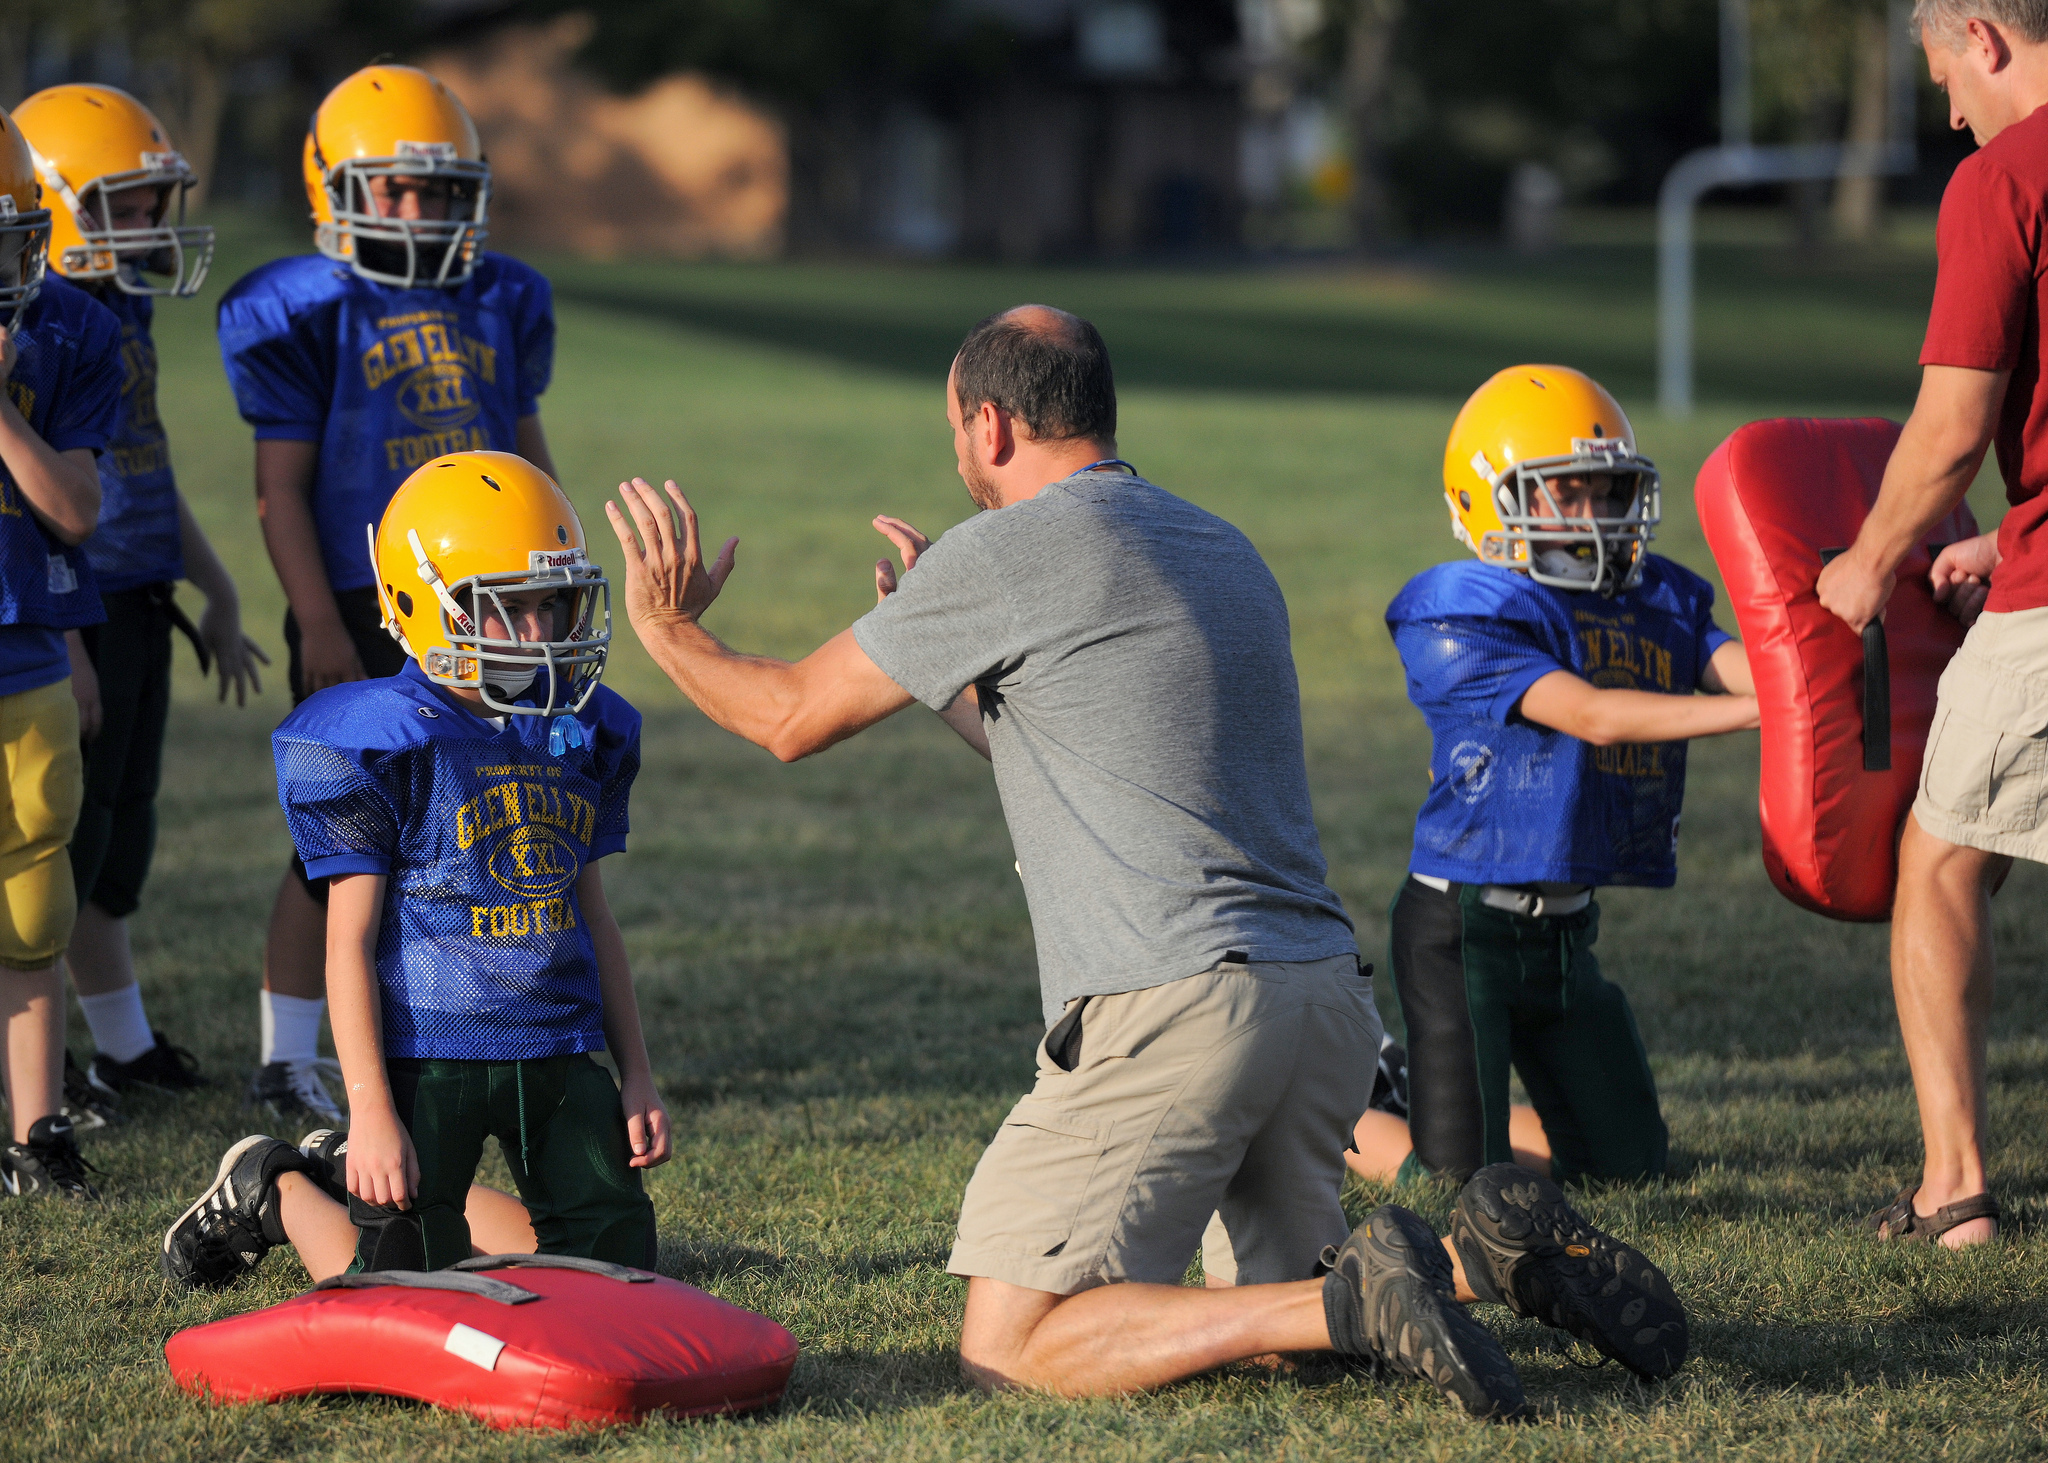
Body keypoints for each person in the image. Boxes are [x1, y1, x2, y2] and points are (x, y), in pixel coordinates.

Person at [604, 304, 1681, 1416]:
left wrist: (665, 625)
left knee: (1014, 1343)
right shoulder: (1218, 544)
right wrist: (954, 658)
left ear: (989, 424)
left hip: (1175, 1006)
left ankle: (1348, 1296)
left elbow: (784, 715)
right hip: (1315, 1007)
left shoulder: (1008, 549)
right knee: (1237, 1334)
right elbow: (1097, 741)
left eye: (955, 430)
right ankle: (1482, 1263)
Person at [160, 450, 667, 1287]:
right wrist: (369, 1105)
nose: (540, 634)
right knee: (398, 1283)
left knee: (615, 1272)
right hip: (429, 1054)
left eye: (552, 604)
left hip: (558, 1044)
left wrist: (638, 1071)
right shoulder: (380, 738)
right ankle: (275, 1187)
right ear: (417, 606)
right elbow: (348, 943)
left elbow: (595, 917)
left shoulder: (582, 729)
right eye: (508, 611)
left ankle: (337, 1166)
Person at [217, 63, 558, 1125]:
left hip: (494, 596)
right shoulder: (305, 308)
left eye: (437, 189)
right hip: (366, 596)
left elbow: (525, 444)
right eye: (392, 189)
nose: (416, 211)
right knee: (338, 837)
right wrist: (316, 614)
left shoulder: (500, 295)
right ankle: (284, 1054)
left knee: (477, 817)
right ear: (335, 189)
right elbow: (280, 490)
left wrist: (556, 567)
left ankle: (453, 1025)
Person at [1349, 366, 1758, 1205]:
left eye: (1606, 491)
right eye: (1563, 493)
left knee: (1628, 1166)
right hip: (1462, 929)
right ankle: (1343, 1110)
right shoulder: (1463, 609)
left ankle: (1453, 1104)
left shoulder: (1646, 595)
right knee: (1461, 1183)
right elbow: (1596, 714)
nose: (1593, 515)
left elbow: (1733, 668)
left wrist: (1811, 661)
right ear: (1484, 504)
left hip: (1569, 935)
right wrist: (1774, 709)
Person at [1815, 0, 2048, 1249]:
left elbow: (1953, 424)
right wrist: (2006, 532)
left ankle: (1950, 1191)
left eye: (1943, 72)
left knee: (1943, 859)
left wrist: (1866, 560)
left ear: (1982, 33)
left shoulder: (1997, 180)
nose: (1948, 108)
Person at [15, 84, 270, 1125]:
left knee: (121, 833)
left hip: (139, 596)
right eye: (125, 204)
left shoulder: (115, 316)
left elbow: (143, 475)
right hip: (72, 610)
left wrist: (212, 584)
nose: (153, 227)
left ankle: (119, 1043)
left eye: (155, 202)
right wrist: (62, 639)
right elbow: (36, 514)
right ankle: (51, 1060)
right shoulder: (41, 326)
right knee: (55, 849)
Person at [0, 102, 123, 1199]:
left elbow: (76, 508)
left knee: (35, 887)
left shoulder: (67, 327)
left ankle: (38, 1132)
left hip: (25, 645)